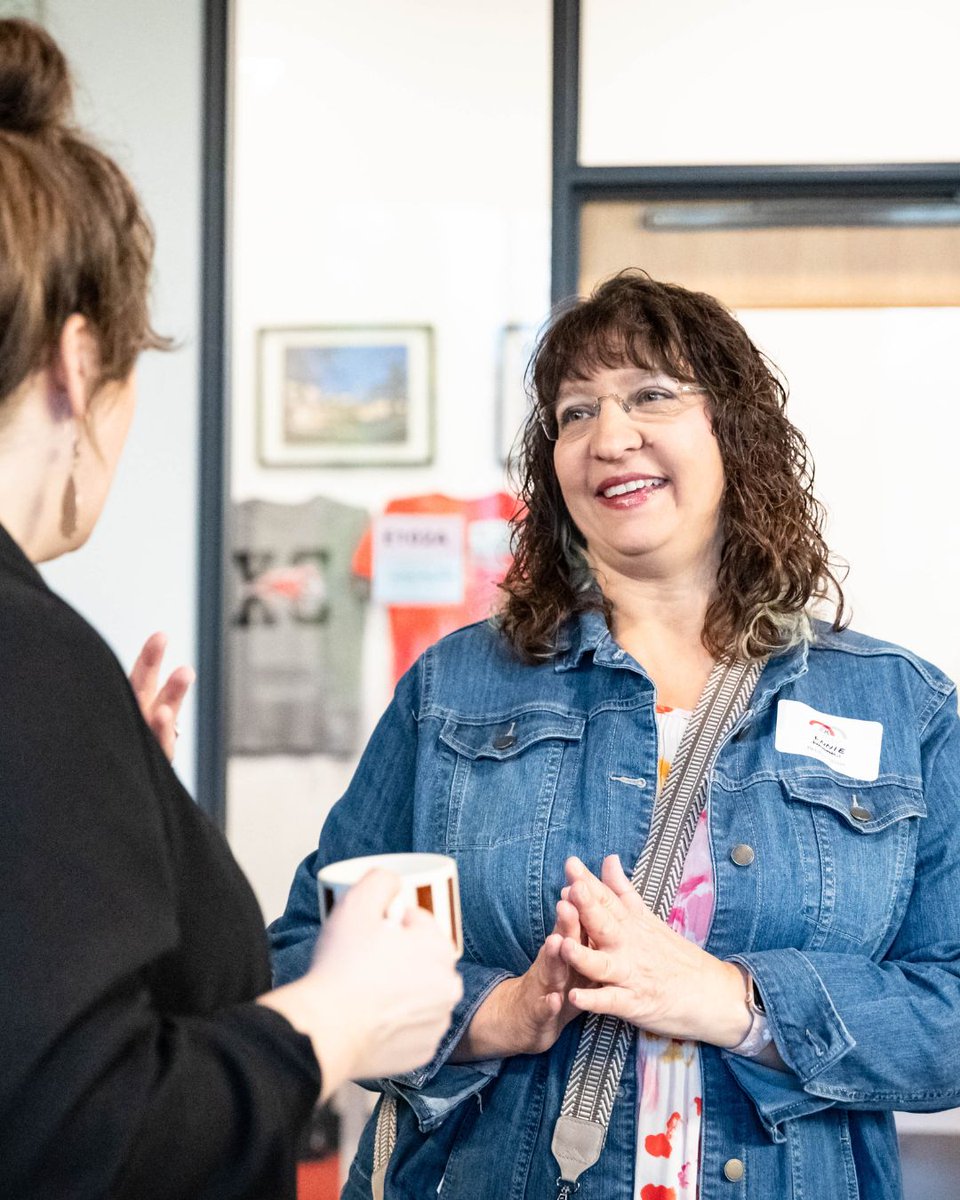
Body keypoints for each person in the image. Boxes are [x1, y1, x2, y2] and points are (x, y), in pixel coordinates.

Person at [270, 268, 960, 1200]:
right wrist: (497, 1013)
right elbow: (306, 950)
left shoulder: (900, 704)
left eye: (651, 396)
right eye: (576, 412)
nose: (609, 436)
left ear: (733, 430)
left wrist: (739, 1002)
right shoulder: (454, 689)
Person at [0, 18, 461, 1200]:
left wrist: (110, 815)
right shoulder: (30, 655)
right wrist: (340, 1015)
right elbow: (84, 1138)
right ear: (75, 366)